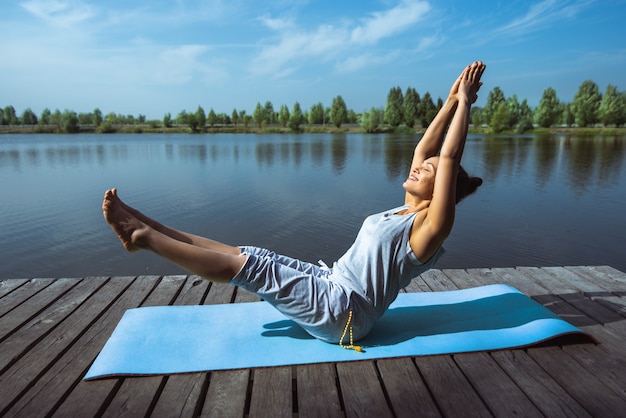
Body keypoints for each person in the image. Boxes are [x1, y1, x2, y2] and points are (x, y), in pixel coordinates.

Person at [103, 61, 486, 347]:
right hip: (334, 283)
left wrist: (466, 105)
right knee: (251, 252)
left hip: (346, 313)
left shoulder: (428, 230)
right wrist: (451, 100)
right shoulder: (404, 208)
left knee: (251, 268)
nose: (419, 166)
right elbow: (426, 148)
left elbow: (448, 158)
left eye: (430, 170)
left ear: (443, 190)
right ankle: (147, 223)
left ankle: (143, 237)